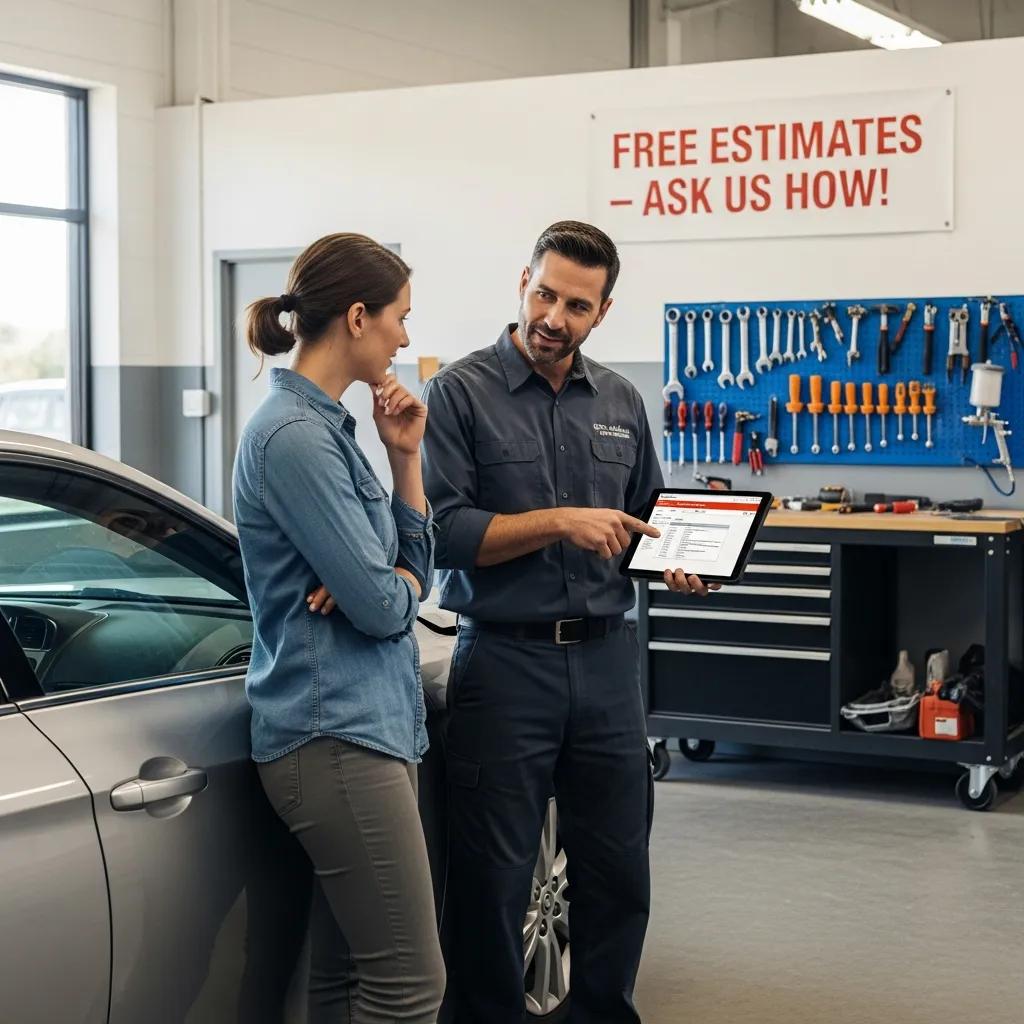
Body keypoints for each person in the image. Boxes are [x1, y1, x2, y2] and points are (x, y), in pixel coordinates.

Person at [421, 220, 717, 1023]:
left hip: (607, 664)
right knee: (491, 875)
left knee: (617, 869)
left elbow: (643, 518)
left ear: (602, 311)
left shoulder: (620, 399)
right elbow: (441, 532)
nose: (554, 315)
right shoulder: (458, 392)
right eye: (544, 293)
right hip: (505, 664)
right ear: (523, 280)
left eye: (576, 305)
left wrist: (674, 560)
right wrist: (559, 521)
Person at [232, 233, 445, 1024]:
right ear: (358, 317)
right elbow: (388, 606)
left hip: (362, 728)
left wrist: (406, 463)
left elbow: (398, 578)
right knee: (410, 987)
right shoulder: (293, 439)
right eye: (399, 317)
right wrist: (384, 582)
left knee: (344, 981)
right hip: (336, 736)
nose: (405, 337)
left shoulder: (329, 432)